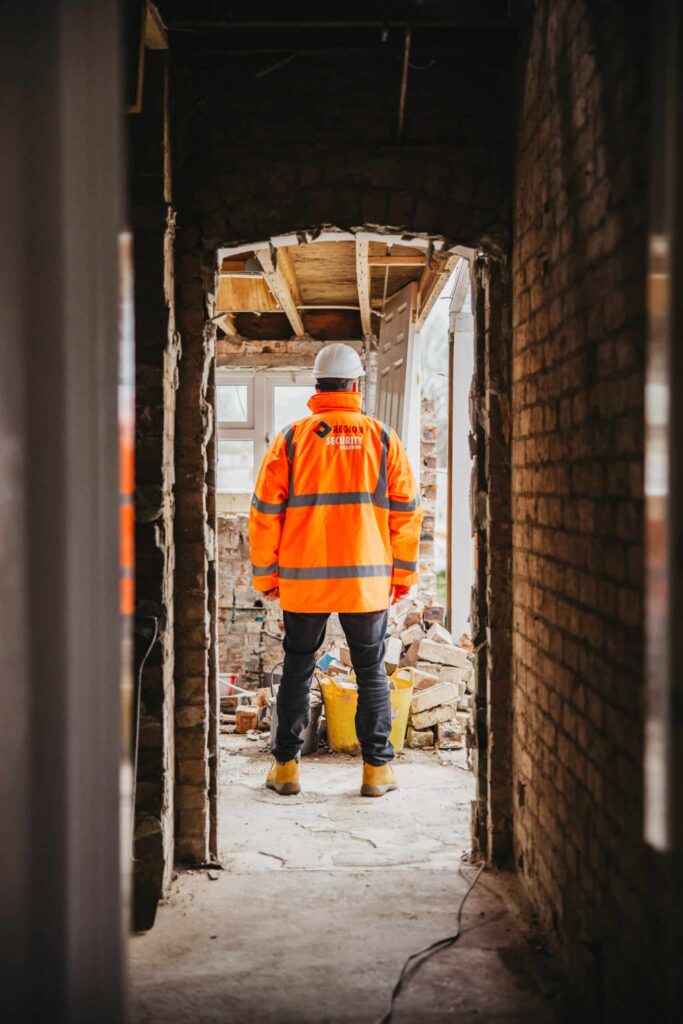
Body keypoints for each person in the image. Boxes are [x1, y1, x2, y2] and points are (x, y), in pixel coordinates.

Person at [249, 342, 423, 797]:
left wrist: (267, 576)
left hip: (305, 581)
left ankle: (285, 768)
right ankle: (376, 772)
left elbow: (265, 514)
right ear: (356, 384)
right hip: (365, 582)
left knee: (298, 667)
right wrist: (402, 576)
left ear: (317, 385)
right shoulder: (383, 439)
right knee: (370, 670)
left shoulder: (292, 439)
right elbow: (407, 514)